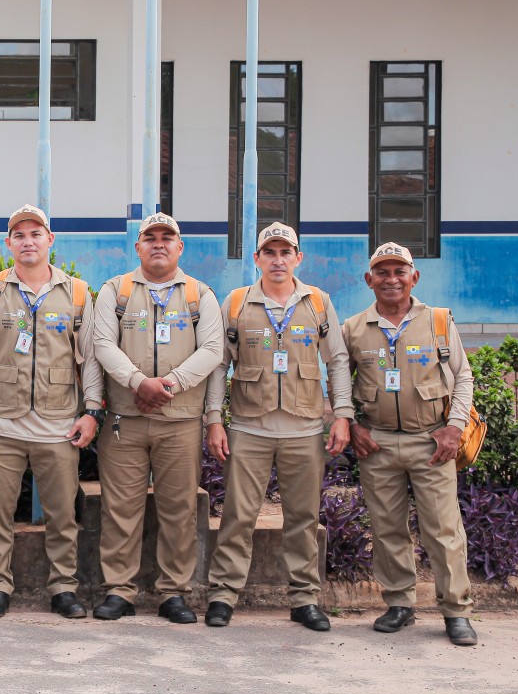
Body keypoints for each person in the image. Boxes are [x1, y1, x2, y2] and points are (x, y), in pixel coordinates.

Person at [204, 222, 353, 631]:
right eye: (269, 252)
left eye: (285, 252)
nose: (278, 259)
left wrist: (342, 414)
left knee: (303, 517)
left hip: (304, 430)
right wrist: (215, 419)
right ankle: (222, 595)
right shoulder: (236, 303)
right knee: (237, 515)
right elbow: (220, 364)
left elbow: (337, 360)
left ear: (298, 258)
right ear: (257, 258)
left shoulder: (318, 303)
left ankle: (304, 599)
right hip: (250, 428)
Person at [0, 204, 100, 619]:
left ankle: (63, 588)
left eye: (35, 234)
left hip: (59, 426)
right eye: (19, 235)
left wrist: (91, 411)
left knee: (62, 515)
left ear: (50, 240)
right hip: (1, 425)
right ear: (9, 243)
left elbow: (90, 358)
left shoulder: (76, 292)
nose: (28, 241)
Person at [89, 213, 223, 623]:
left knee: (178, 510)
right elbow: (101, 344)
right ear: (138, 247)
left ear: (180, 247)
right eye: (151, 238)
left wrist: (168, 385)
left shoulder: (201, 295)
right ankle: (119, 590)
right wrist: (136, 382)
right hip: (124, 421)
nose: (159, 244)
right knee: (120, 508)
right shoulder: (116, 290)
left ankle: (173, 593)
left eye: (168, 238)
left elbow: (213, 350)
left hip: (180, 421)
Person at [343, 242, 477, 645]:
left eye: (399, 271)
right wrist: (352, 427)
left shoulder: (438, 321)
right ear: (370, 280)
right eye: (382, 272)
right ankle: (399, 604)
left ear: (413, 277)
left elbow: (464, 377)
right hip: (377, 443)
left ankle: (456, 610)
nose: (391, 279)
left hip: (431, 442)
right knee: (387, 529)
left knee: (443, 529)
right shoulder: (353, 328)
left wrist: (454, 427)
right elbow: (337, 384)